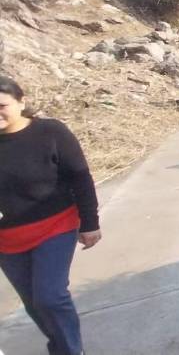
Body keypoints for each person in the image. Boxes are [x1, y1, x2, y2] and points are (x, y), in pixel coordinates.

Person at [0, 76, 101, 355]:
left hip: (55, 226)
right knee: (34, 305)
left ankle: (71, 351)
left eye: (2, 105)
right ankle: (60, 346)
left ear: (21, 102)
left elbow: (80, 177)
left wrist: (90, 223)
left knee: (50, 297)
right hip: (7, 240)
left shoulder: (50, 132)